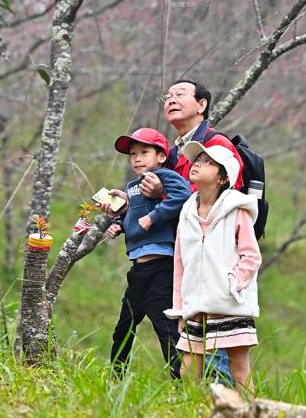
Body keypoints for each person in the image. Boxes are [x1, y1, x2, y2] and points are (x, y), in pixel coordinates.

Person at [140, 77, 244, 384]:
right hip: (183, 255)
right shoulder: (171, 154)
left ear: (202, 104)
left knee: (213, 332)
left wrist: (166, 194)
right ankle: (196, 399)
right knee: (188, 333)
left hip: (213, 258)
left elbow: (223, 201)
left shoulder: (216, 146)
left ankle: (219, 402)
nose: (170, 99)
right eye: (168, 95)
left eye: (180, 94)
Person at [169, 139, 261, 391]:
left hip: (230, 304)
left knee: (239, 369)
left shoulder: (236, 210)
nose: (197, 164)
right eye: (197, 160)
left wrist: (231, 286)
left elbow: (251, 256)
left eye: (207, 162)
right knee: (187, 369)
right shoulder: (187, 212)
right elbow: (180, 264)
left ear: (222, 177)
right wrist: (180, 308)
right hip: (196, 307)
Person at [104, 127, 191, 378]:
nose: (137, 158)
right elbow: (133, 215)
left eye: (144, 152)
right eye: (133, 154)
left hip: (162, 266)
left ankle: (181, 381)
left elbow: (183, 197)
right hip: (138, 268)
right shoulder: (132, 186)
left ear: (161, 156)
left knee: (166, 328)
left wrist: (153, 217)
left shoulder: (166, 176)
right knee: (124, 326)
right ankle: (116, 377)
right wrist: (118, 224)